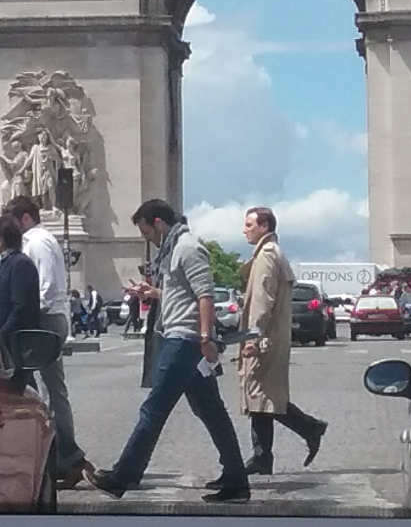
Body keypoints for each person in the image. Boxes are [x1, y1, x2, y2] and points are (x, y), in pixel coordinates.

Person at [84, 199, 249, 503]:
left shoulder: (187, 247)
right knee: (211, 412)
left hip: (185, 340)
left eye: (147, 231)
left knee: (154, 409)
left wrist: (204, 337)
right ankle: (237, 478)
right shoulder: (173, 249)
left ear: (158, 223)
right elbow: (182, 294)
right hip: (182, 337)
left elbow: (205, 295)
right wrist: (153, 293)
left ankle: (124, 475)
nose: (148, 238)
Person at [232, 206, 327, 479]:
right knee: (260, 396)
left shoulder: (266, 256)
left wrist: (253, 336)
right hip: (272, 337)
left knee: (263, 395)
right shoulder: (272, 253)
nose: (244, 229)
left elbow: (262, 300)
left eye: (249, 224)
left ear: (264, 226)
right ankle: (264, 456)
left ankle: (309, 428)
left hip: (264, 339)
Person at [5, 195, 94, 486]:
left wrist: (28, 315)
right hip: (45, 319)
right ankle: (57, 455)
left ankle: (68, 456)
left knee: (50, 392)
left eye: (12, 221)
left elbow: (44, 286)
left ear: (25, 219)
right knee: (40, 389)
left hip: (44, 320)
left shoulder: (37, 242)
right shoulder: (41, 239)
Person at [0, 213, 40, 360]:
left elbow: (20, 306)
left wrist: (3, 333)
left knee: (13, 382)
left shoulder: (20, 264)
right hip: (6, 343)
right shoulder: (6, 263)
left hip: (13, 343)